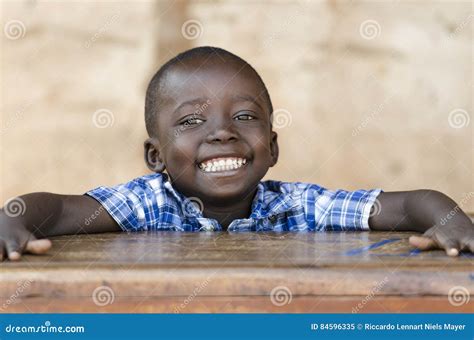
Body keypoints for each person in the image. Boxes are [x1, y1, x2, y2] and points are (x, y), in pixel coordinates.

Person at [1, 46, 473, 261]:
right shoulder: (147, 201)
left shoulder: (296, 204)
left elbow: (409, 203)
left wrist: (449, 218)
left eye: (245, 117)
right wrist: (12, 220)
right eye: (190, 122)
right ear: (155, 156)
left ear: (272, 146)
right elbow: (58, 208)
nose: (222, 133)